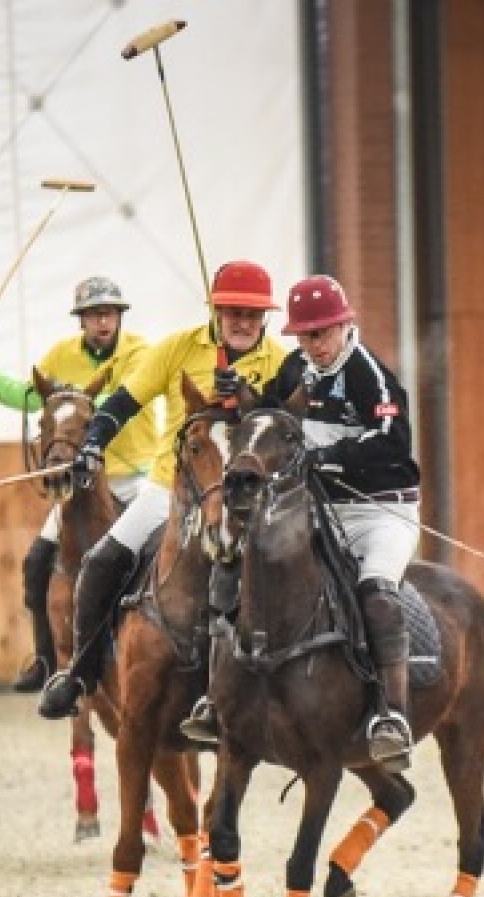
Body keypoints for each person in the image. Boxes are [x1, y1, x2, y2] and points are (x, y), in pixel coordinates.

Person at [181, 274, 421, 772]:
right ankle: (216, 695)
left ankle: (391, 716)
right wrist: (236, 394)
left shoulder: (368, 374)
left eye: (321, 333)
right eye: (305, 336)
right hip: (320, 508)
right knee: (238, 563)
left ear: (343, 325)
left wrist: (328, 456)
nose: (313, 345)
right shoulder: (298, 367)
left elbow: (393, 441)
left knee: (376, 592)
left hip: (381, 510)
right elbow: (266, 416)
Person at [36, 261, 291, 719]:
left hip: (242, 497)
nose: (243, 322)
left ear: (265, 318)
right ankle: (81, 675)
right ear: (216, 310)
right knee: (100, 563)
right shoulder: (177, 348)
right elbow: (124, 402)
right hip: (167, 488)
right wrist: (93, 444)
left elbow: (282, 424)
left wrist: (248, 400)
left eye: (252, 314)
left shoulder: (278, 361)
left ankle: (284, 684)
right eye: (233, 311)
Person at [0, 276, 160, 691]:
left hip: (136, 478)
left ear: (119, 317)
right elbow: (28, 396)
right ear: (81, 322)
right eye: (93, 316)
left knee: (164, 555)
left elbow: (124, 400)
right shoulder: (61, 356)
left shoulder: (140, 354)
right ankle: (46, 661)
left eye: (109, 314)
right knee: (36, 562)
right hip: (81, 484)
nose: (103, 323)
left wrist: (75, 402)